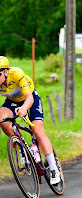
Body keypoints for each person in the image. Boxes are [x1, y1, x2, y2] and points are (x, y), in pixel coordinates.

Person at [0, 56, 61, 184]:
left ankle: (54, 168)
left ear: (5, 71)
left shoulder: (16, 74)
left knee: (38, 131)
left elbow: (29, 98)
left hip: (31, 98)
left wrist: (23, 108)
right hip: (12, 102)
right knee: (3, 121)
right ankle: (22, 149)